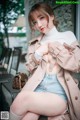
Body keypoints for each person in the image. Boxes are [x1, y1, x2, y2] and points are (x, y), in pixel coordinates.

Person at [10, 2, 80, 120]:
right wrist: (38, 53)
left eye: (41, 18)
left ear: (51, 16)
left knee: (22, 98)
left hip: (58, 94)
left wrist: (53, 48)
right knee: (28, 117)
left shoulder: (68, 36)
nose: (39, 24)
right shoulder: (35, 43)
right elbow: (30, 67)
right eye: (35, 22)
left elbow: (76, 65)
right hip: (37, 90)